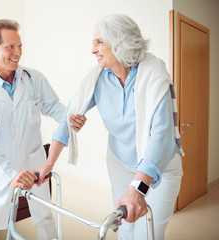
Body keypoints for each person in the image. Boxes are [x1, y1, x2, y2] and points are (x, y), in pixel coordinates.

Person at [35, 14, 184, 240]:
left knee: (147, 234)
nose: (93, 50)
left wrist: (137, 189)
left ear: (120, 41)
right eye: (93, 43)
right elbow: (68, 118)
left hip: (160, 166)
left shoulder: (154, 72)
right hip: (120, 162)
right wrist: (48, 163)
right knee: (124, 228)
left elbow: (161, 137)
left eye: (99, 42)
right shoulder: (99, 78)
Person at [0, 19, 86, 240]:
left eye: (19, 46)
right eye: (10, 46)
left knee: (44, 217)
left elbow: (52, 107)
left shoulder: (33, 78)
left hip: (33, 163)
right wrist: (9, 175)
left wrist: (69, 119)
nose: (17, 52)